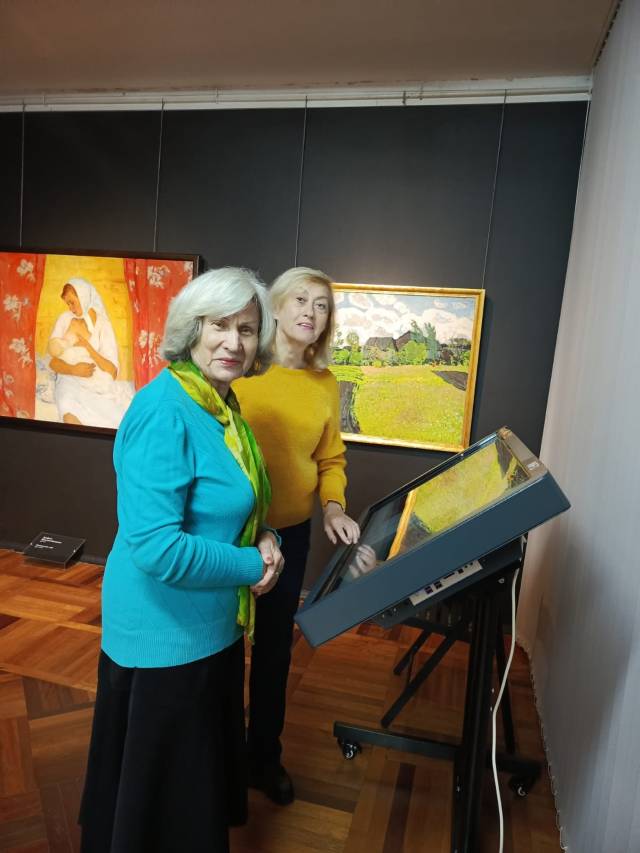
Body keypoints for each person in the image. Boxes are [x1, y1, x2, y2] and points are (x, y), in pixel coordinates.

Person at [79, 267, 284, 853]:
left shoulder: (220, 405)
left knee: (190, 801)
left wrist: (265, 535)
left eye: (247, 329)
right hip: (163, 638)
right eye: (219, 325)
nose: (233, 342)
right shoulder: (164, 411)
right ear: (192, 329)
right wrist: (252, 566)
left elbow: (230, 502)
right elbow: (157, 547)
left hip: (208, 630)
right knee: (160, 818)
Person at [234, 266, 360, 806]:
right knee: (219, 649)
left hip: (290, 537)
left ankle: (263, 758)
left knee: (273, 653)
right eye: (301, 300)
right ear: (277, 307)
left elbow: (331, 458)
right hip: (228, 536)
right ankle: (217, 762)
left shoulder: (325, 384)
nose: (311, 311)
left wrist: (332, 506)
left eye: (322, 305)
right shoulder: (238, 368)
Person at [47, 277, 133, 427]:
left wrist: (88, 348)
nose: (70, 308)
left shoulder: (103, 325)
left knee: (117, 419)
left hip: (96, 382)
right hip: (69, 380)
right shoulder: (65, 319)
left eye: (72, 302)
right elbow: (52, 361)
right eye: (68, 304)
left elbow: (112, 371)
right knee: (67, 408)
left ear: (83, 296)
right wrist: (73, 370)